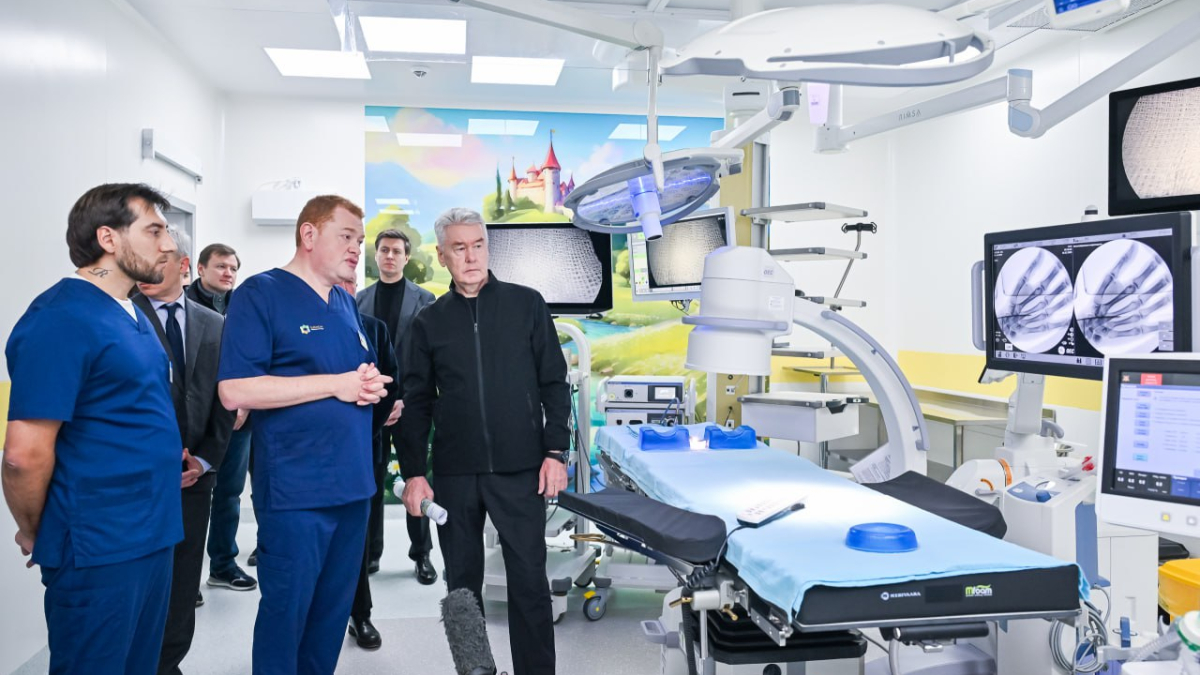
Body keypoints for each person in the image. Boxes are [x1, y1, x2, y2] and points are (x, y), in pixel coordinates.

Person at [2, 183, 183, 674]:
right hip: (99, 546)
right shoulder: (60, 318)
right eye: (154, 231)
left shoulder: (131, 312)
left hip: (153, 533)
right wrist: (37, 530)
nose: (169, 244)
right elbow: (22, 455)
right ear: (108, 238)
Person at [217, 195, 390, 675]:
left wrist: (367, 384)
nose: (357, 248)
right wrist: (336, 384)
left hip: (353, 488)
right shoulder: (261, 294)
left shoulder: (344, 302)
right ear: (309, 235)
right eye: (346, 236)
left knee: (330, 618)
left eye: (360, 239)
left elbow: (348, 374)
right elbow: (235, 390)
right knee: (287, 616)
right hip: (297, 493)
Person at [399, 207, 570, 675]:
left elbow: (554, 383)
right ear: (442, 256)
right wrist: (414, 472)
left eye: (478, 245)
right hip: (455, 474)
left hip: (521, 469)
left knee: (529, 582)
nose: (471, 256)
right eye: (459, 248)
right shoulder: (428, 322)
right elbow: (416, 401)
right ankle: (474, 670)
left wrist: (555, 452)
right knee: (462, 590)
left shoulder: (526, 305)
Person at [132, 228, 236, 675]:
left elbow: (224, 399)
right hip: (140, 480)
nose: (147, 267)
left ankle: (169, 662)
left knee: (184, 575)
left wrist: (206, 459)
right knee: (141, 580)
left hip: (196, 477)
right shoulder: (124, 317)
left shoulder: (214, 324)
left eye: (161, 258)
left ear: (183, 265)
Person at [355, 228, 436, 583]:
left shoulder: (426, 300)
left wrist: (403, 399)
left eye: (396, 251)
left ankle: (422, 554)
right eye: (384, 250)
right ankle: (371, 554)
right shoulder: (358, 300)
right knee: (372, 481)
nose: (390, 256)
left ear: (406, 257)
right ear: (376, 255)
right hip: (371, 406)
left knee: (415, 477)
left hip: (411, 404)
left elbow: (429, 357)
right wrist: (378, 399)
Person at [189, 243, 258, 594]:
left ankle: (222, 565)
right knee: (191, 496)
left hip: (237, 418)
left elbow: (253, 359)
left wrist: (243, 404)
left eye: (233, 268)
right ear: (200, 269)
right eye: (221, 266)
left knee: (230, 493)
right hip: (194, 420)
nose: (228, 273)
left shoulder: (245, 306)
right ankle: (186, 578)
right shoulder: (182, 306)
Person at [340, 277, 401, 651]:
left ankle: (360, 614)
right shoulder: (302, 327)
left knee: (358, 537)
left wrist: (367, 427)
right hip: (318, 454)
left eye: (350, 282)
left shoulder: (374, 329)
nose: (344, 287)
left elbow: (391, 383)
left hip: (365, 448)